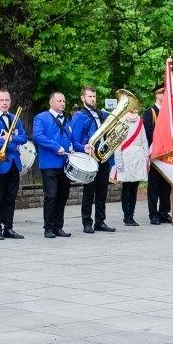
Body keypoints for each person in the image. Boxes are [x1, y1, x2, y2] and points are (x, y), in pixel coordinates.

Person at [72, 86, 115, 234]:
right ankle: (87, 222)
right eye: (89, 96)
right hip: (89, 157)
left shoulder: (101, 114)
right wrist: (84, 147)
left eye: (94, 96)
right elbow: (75, 140)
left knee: (102, 191)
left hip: (103, 156)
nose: (93, 99)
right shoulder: (79, 116)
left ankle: (100, 221)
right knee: (89, 191)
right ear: (82, 98)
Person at [0, 89, 28, 240]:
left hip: (13, 163)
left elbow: (23, 138)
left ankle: (8, 228)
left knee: (11, 197)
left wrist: (10, 139)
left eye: (7, 100)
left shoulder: (15, 118)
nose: (4, 103)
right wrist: (13, 145)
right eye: (1, 100)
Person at [32, 92, 75, 238]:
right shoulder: (41, 118)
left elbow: (72, 140)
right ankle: (48, 228)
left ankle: (58, 226)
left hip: (65, 164)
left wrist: (83, 148)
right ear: (51, 102)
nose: (62, 103)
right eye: (59, 101)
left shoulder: (66, 120)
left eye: (64, 101)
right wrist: (56, 147)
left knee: (63, 195)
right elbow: (38, 136)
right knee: (51, 195)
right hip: (49, 164)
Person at [142, 85, 173, 225]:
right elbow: (148, 132)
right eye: (163, 93)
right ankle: (153, 214)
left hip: (168, 153)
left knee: (166, 184)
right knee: (154, 186)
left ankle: (164, 212)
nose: (165, 95)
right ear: (157, 95)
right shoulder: (150, 112)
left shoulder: (169, 112)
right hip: (156, 152)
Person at [112, 110, 149, 226]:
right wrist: (118, 160)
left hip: (138, 156)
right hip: (125, 156)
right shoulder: (120, 122)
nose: (134, 111)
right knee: (126, 187)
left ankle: (131, 215)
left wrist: (146, 156)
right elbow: (117, 143)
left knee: (134, 188)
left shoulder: (140, 122)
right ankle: (126, 215)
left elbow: (144, 140)